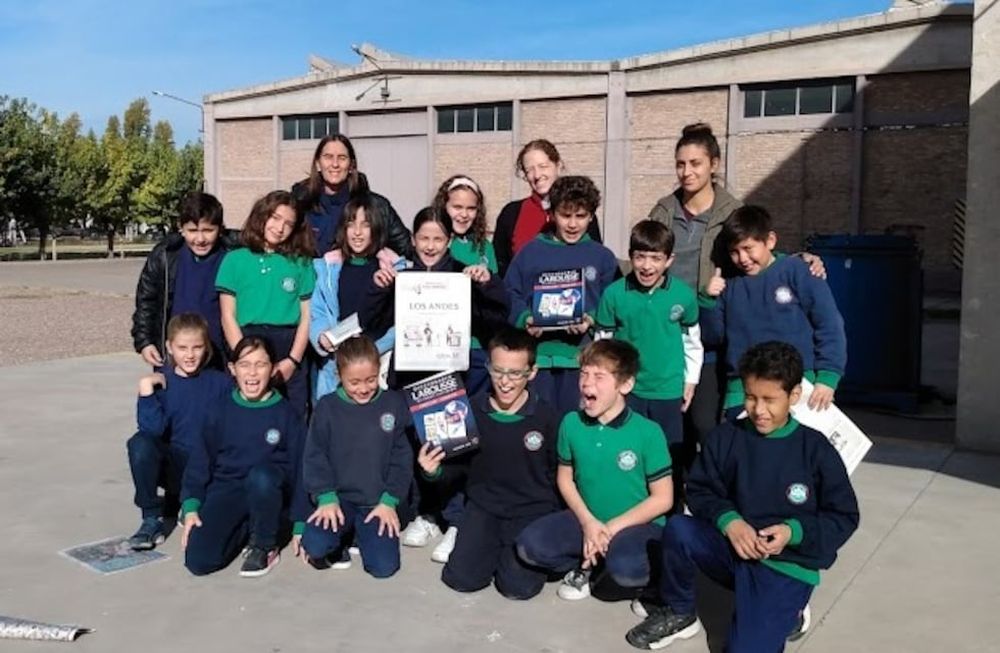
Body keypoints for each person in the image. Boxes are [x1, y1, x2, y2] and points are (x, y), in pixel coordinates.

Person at [625, 342, 859, 651]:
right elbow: (699, 489)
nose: (759, 410)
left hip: (784, 563)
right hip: (733, 547)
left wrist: (792, 532)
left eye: (769, 400)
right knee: (679, 529)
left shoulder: (815, 450)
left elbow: (843, 516)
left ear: (793, 396)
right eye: (751, 397)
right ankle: (680, 611)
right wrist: (730, 522)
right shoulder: (727, 437)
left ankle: (789, 612)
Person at [646, 123, 826, 472]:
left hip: (712, 331)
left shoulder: (731, 210)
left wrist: (798, 259)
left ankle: (714, 490)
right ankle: (675, 497)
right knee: (672, 427)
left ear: (714, 164)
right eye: (681, 164)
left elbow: (753, 248)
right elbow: (646, 254)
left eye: (696, 163)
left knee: (706, 424)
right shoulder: (664, 211)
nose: (687, 172)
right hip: (669, 331)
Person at [361, 207, 509, 561]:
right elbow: (372, 324)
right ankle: (426, 515)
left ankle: (456, 520)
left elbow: (495, 320)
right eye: (423, 238)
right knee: (413, 446)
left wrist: (487, 285)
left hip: (452, 377)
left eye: (438, 239)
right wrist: (379, 289)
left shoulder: (463, 274)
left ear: (449, 241)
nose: (430, 246)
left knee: (453, 446)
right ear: (412, 240)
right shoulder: (401, 275)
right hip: (410, 376)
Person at [515, 339, 673, 602]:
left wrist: (609, 529)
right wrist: (589, 523)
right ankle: (591, 557)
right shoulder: (571, 423)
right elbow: (565, 478)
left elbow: (663, 498)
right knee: (530, 547)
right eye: (584, 374)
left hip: (635, 524)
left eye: (599, 376)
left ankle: (633, 577)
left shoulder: (648, 432)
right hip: (586, 518)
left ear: (626, 384)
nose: (587, 383)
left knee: (626, 570)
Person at [416, 328, 561, 599]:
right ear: (488, 368)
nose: (505, 382)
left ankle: (521, 555)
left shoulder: (548, 417)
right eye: (498, 371)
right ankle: (483, 546)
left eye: (515, 373)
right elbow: (457, 468)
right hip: (484, 507)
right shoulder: (469, 411)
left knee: (517, 589)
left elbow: (557, 475)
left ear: (532, 372)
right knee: (461, 579)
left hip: (530, 510)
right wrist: (434, 472)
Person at [701, 205, 846, 416]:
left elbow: (829, 324)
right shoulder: (729, 285)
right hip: (741, 389)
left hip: (796, 387)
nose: (742, 258)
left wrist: (827, 377)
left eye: (748, 248)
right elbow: (713, 336)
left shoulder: (798, 271)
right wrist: (708, 301)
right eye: (734, 251)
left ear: (770, 241)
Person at [595, 220, 701, 506]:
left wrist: (690, 381)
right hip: (629, 391)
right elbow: (602, 344)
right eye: (640, 256)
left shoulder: (682, 296)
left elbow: (692, 342)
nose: (646, 266)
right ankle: (627, 505)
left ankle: (673, 511)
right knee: (627, 451)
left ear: (669, 260)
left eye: (656, 258)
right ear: (631, 256)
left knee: (669, 454)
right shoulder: (614, 294)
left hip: (668, 391)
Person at [180, 336, 306, 578]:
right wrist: (191, 505)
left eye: (261, 364)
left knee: (261, 476)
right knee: (199, 561)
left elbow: (302, 469)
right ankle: (247, 526)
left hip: (269, 490)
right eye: (245, 365)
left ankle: (265, 543)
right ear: (232, 369)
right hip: (227, 488)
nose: (253, 373)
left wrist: (300, 522)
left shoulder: (286, 413)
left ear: (273, 369)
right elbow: (199, 462)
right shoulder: (218, 409)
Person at [295, 336, 413, 578]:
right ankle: (342, 534)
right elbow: (315, 456)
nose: (363, 388)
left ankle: (361, 534)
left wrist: (389, 502)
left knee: (384, 567)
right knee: (316, 545)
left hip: (376, 503)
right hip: (338, 501)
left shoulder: (393, 403)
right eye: (354, 382)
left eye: (370, 380)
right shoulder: (327, 407)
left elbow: (402, 459)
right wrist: (325, 496)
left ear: (379, 370)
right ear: (339, 376)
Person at [505, 175, 619, 416]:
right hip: (539, 360)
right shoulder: (530, 252)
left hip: (581, 360)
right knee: (540, 424)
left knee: (575, 423)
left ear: (591, 216)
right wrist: (525, 318)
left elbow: (613, 301)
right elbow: (509, 292)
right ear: (552, 213)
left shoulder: (602, 257)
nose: (573, 224)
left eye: (581, 216)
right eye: (565, 215)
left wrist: (590, 319)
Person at [126, 313, 232, 550]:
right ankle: (151, 519)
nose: (190, 354)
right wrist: (146, 390)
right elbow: (151, 431)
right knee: (139, 443)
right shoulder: (163, 383)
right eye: (182, 347)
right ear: (169, 348)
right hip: (175, 465)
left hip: (208, 469)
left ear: (206, 348)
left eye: (197, 347)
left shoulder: (221, 384)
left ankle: (189, 502)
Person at [216, 190, 316, 421]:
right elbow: (227, 315)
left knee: (292, 417)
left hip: (288, 345)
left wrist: (293, 360)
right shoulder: (234, 260)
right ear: (262, 215)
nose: (280, 227)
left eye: (288, 223)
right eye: (275, 217)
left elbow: (306, 316)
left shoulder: (301, 262)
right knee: (244, 415)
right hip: (247, 341)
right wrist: (243, 356)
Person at [132, 191, 234, 369]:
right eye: (192, 231)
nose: (200, 239)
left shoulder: (233, 255)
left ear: (220, 228)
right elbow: (147, 301)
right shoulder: (165, 255)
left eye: (208, 230)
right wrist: (145, 341)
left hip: (222, 358)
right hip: (176, 358)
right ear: (181, 228)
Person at [309, 194, 396, 401]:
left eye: (365, 225)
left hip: (378, 362)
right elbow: (319, 311)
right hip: (336, 363)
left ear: (375, 229)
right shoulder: (328, 267)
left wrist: (370, 351)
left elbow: (399, 322)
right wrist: (321, 336)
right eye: (351, 225)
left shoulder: (393, 269)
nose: (357, 233)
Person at [494, 140, 602, 277]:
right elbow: (501, 267)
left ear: (558, 166)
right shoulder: (511, 213)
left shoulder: (581, 213)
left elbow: (595, 262)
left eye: (543, 166)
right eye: (529, 170)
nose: (537, 175)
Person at [292, 134, 412, 258]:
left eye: (342, 158)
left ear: (351, 165)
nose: (335, 164)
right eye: (328, 157)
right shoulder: (300, 202)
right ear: (318, 162)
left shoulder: (378, 207)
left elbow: (406, 248)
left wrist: (382, 255)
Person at [432, 174, 496, 395]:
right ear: (444, 206)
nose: (463, 214)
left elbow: (496, 297)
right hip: (440, 347)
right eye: (457, 206)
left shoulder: (484, 247)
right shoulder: (433, 241)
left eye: (471, 208)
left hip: (476, 346)